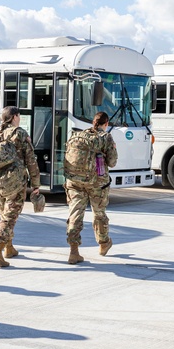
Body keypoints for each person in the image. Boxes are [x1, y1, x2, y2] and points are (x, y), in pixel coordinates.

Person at [0, 106, 41, 268]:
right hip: (16, 183)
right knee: (9, 218)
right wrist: (36, 185)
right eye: (19, 115)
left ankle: (9, 248)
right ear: (14, 117)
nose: (20, 118)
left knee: (5, 214)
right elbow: (31, 161)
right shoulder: (20, 134)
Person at [63, 111, 118, 264]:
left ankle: (74, 251)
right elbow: (113, 162)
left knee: (75, 214)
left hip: (74, 181)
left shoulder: (77, 135)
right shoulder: (105, 137)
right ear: (105, 124)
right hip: (96, 183)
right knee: (99, 213)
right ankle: (103, 243)